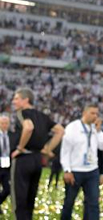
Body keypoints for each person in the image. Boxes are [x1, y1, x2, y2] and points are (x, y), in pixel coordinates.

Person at [10, 87, 64, 220]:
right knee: (30, 198)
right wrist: (47, 149)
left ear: (25, 100)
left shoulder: (22, 113)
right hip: (37, 159)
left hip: (24, 158)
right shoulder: (42, 116)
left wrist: (20, 147)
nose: (13, 102)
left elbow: (28, 127)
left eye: (16, 99)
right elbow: (60, 130)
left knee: (19, 199)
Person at [60, 105, 103, 220]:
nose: (95, 116)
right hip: (75, 171)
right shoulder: (73, 127)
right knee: (69, 203)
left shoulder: (95, 129)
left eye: (97, 114)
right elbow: (65, 151)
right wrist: (67, 170)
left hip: (92, 171)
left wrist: (99, 131)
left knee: (93, 204)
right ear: (84, 113)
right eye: (92, 113)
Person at [0, 114, 13, 214]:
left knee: (7, 189)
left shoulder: (12, 136)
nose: (4, 125)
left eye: (6, 123)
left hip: (7, 167)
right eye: (2, 123)